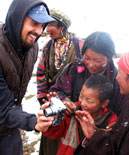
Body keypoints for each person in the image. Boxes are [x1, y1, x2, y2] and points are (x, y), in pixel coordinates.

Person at [0, 0, 56, 154]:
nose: (38, 31)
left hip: (9, 126)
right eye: (34, 23)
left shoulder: (32, 47)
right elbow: (3, 107)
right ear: (17, 19)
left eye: (41, 26)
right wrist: (33, 121)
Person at [36, 8, 83, 155]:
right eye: (47, 25)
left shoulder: (78, 45)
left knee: (73, 139)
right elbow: (41, 74)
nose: (47, 29)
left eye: (51, 25)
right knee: (52, 137)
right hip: (53, 101)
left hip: (75, 103)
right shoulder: (48, 47)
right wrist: (43, 98)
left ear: (62, 27)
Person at [49, 31, 129, 116]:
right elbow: (56, 90)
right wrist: (63, 100)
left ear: (109, 58)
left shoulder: (118, 80)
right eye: (87, 58)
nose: (91, 65)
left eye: (97, 61)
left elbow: (123, 111)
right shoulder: (72, 70)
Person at [41, 75, 117, 155]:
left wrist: (95, 135)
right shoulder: (72, 111)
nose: (83, 103)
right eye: (81, 96)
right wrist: (54, 117)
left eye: (89, 101)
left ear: (104, 103)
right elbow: (54, 133)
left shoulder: (112, 124)